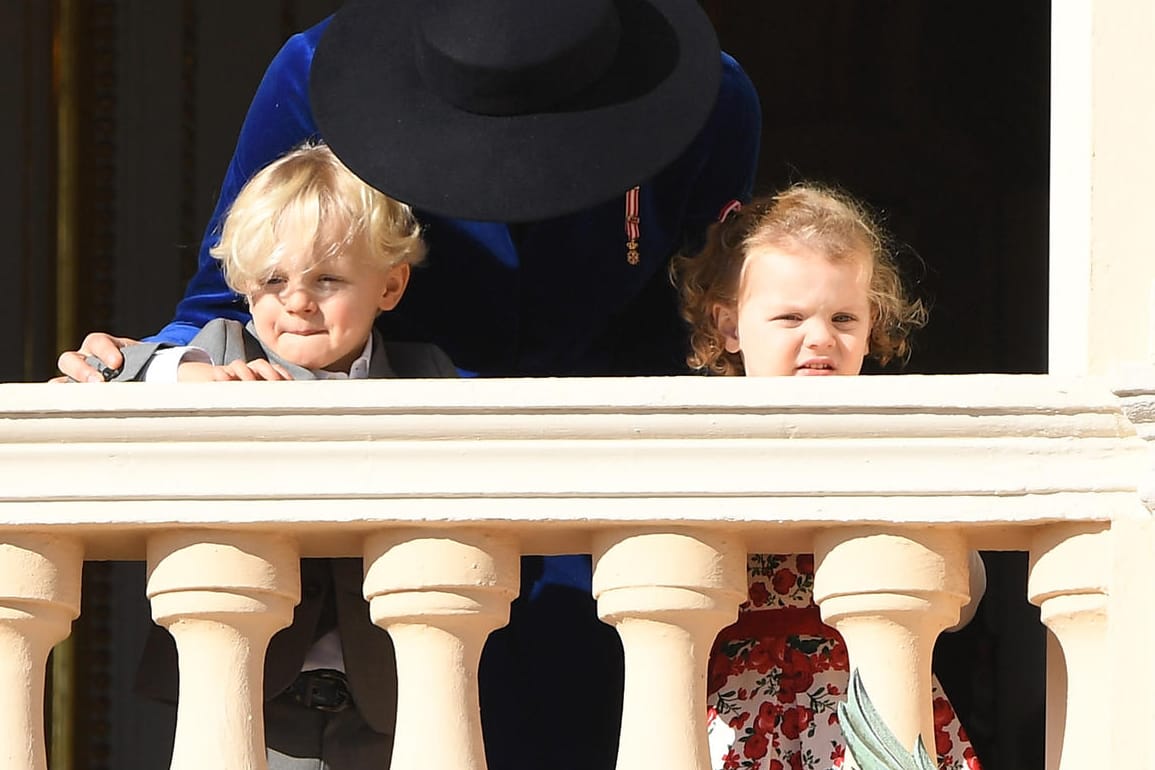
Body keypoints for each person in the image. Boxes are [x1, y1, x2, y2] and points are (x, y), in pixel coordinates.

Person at [55, 1, 763, 769]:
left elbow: (718, 321)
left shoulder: (705, 95)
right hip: (398, 537)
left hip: (611, 527)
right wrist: (163, 362)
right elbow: (237, 288)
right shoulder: (318, 71)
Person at [120, 140, 455, 770]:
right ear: (245, 289)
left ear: (390, 284)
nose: (297, 301)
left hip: (384, 696)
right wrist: (181, 375)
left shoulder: (424, 372)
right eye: (273, 281)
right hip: (248, 693)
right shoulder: (220, 353)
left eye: (327, 278)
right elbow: (113, 381)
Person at [672, 184, 983, 770]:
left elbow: (962, 596)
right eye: (791, 317)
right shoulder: (705, 446)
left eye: (844, 317)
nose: (820, 337)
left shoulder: (893, 441)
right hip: (744, 711)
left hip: (871, 695)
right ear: (730, 325)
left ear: (872, 327)